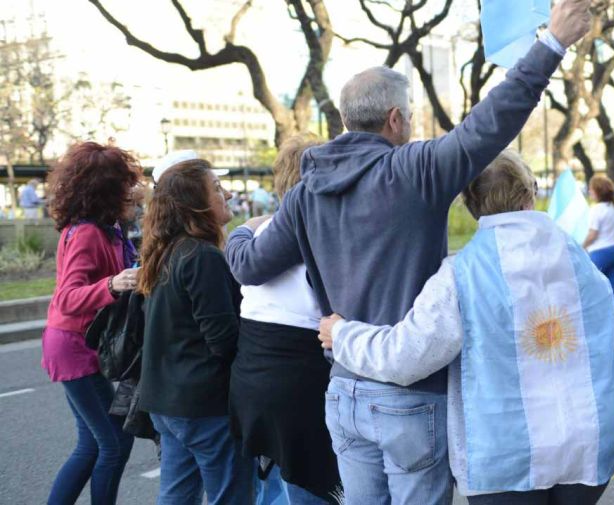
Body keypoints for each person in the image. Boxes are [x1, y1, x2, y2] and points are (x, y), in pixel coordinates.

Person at [225, 2, 591, 503]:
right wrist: (551, 42)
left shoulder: (306, 191)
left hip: (344, 391)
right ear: (396, 118)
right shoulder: (413, 172)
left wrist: (239, 233)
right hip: (410, 396)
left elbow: (249, 266)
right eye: (412, 117)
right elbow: (493, 122)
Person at [318, 150, 614, 504]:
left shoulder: (462, 273)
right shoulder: (580, 263)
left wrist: (343, 335)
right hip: (588, 444)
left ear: (472, 205)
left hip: (505, 459)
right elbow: (612, 346)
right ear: (530, 192)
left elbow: (406, 355)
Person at [228, 137, 341, 504]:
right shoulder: (322, 233)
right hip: (299, 384)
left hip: (252, 380)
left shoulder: (258, 233)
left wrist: (243, 228)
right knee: (310, 488)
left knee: (274, 485)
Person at [137, 157, 253, 504]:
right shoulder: (203, 256)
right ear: (196, 204)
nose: (227, 195)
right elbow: (223, 340)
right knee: (229, 496)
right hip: (204, 405)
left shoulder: (166, 251)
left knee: (177, 495)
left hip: (166, 401)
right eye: (217, 189)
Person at [42, 141, 142, 504]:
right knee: (115, 442)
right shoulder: (86, 232)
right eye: (124, 182)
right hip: (72, 346)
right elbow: (67, 297)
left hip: (77, 344)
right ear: (105, 188)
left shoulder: (108, 227)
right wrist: (112, 285)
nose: (130, 189)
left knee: (91, 443)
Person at [583, 174, 614, 311]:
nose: (589, 191)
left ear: (598, 191)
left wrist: (582, 246)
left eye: (591, 189)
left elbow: (593, 234)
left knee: (593, 291)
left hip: (599, 253)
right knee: (612, 290)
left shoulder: (596, 210)